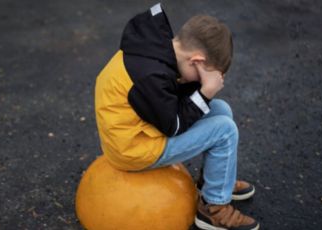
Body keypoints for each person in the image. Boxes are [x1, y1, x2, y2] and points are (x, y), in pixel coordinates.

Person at [94, 3, 259, 230]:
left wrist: (204, 92)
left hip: (144, 127)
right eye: (201, 76)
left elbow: (169, 97)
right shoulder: (150, 76)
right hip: (132, 149)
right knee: (224, 130)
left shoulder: (159, 49)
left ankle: (214, 184)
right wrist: (205, 91)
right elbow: (173, 124)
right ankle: (213, 209)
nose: (198, 82)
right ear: (197, 61)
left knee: (221, 110)